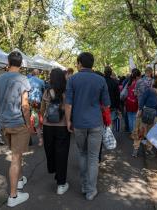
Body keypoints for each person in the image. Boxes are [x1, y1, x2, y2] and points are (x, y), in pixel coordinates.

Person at [65, 52, 110, 201]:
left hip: (78, 123)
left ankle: (84, 186)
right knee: (92, 157)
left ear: (79, 63)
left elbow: (68, 104)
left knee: (83, 154)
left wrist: (68, 121)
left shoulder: (72, 80)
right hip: (96, 123)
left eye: (77, 63)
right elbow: (106, 104)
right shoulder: (101, 80)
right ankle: (91, 190)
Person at [0, 51, 31, 207]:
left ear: (8, 62)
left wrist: (1, 113)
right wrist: (28, 124)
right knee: (15, 157)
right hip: (18, 123)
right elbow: (25, 105)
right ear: (21, 64)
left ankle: (20, 180)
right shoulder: (22, 79)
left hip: (5, 123)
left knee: (16, 153)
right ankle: (13, 196)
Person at [40, 68, 71, 195]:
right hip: (62, 126)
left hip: (48, 126)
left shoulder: (47, 91)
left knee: (50, 150)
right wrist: (69, 121)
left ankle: (54, 170)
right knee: (62, 154)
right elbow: (68, 108)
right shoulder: (66, 91)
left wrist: (40, 124)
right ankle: (61, 184)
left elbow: (42, 110)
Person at [131, 66, 154, 157]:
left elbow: (135, 93)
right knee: (150, 130)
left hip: (140, 109)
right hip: (151, 110)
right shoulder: (154, 82)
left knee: (139, 129)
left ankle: (135, 149)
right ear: (151, 72)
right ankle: (149, 149)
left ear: (145, 72)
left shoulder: (139, 81)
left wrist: (140, 96)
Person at [28, 69, 45, 146]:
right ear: (38, 74)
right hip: (39, 103)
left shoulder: (28, 81)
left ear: (32, 73)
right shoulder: (41, 81)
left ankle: (31, 140)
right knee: (38, 121)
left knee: (30, 121)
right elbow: (44, 91)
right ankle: (41, 139)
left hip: (29, 103)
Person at [124, 68, 141, 133]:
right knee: (135, 118)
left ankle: (132, 132)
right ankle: (134, 133)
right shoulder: (138, 83)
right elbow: (137, 94)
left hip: (128, 102)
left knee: (130, 117)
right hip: (135, 103)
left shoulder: (129, 82)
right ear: (137, 76)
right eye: (139, 76)